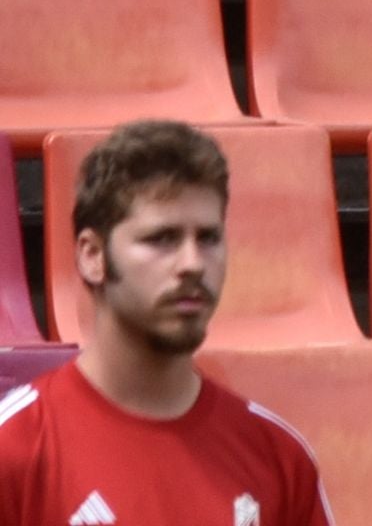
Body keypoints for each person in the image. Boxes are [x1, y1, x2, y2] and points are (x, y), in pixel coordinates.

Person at [0, 120, 333, 526]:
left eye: (208, 238)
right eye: (162, 239)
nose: (193, 264)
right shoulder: (14, 448)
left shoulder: (279, 458)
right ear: (92, 256)